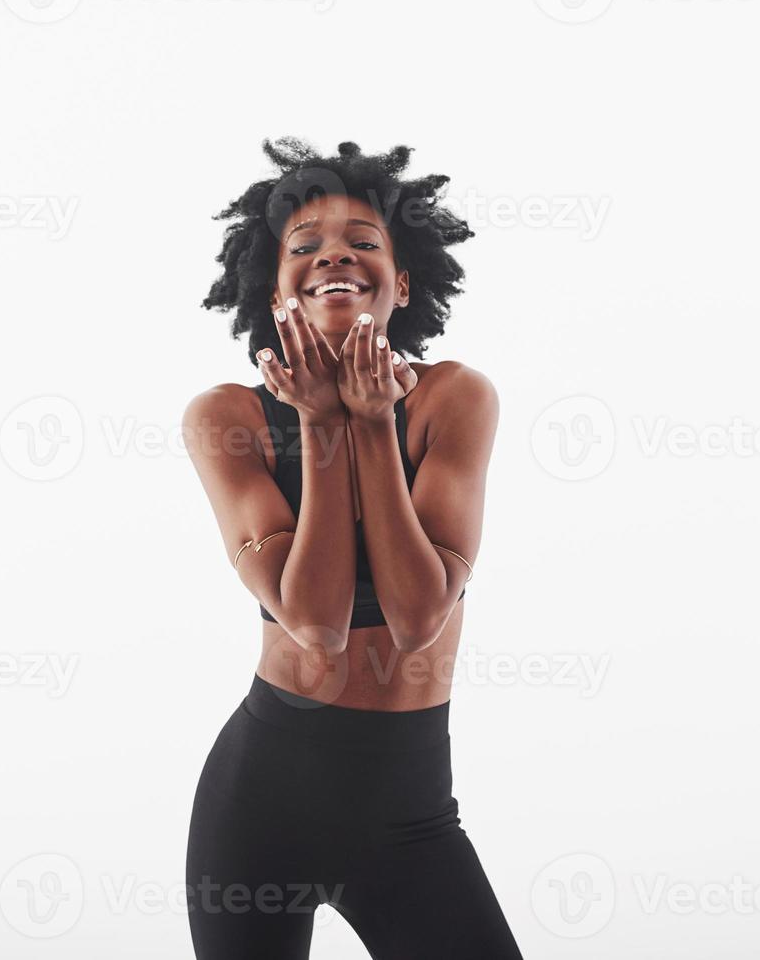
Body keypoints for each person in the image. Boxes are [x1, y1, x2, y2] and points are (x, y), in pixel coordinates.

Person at [181, 138, 524, 958]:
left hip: (408, 820)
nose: (335, 254)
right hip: (257, 806)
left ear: (401, 283)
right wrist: (321, 418)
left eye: (363, 243)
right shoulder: (225, 417)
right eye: (306, 246)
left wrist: (371, 422)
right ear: (275, 290)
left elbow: (414, 617)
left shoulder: (454, 397)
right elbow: (318, 622)